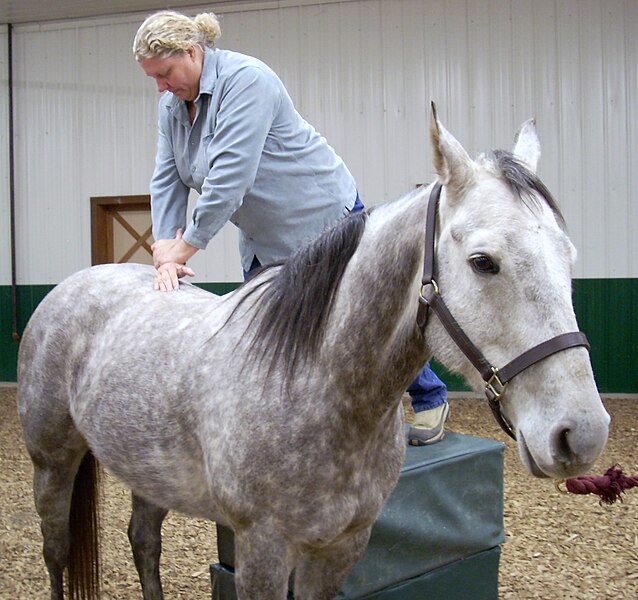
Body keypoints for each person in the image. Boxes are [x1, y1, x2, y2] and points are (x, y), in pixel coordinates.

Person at [132, 9, 447, 443]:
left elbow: (229, 178)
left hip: (322, 216)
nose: (161, 87)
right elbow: (167, 177)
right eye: (153, 79)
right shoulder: (171, 107)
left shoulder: (247, 80)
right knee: (269, 334)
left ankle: (430, 398)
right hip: (263, 237)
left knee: (361, 318)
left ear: (191, 51)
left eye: (164, 73)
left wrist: (188, 248)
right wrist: (165, 247)